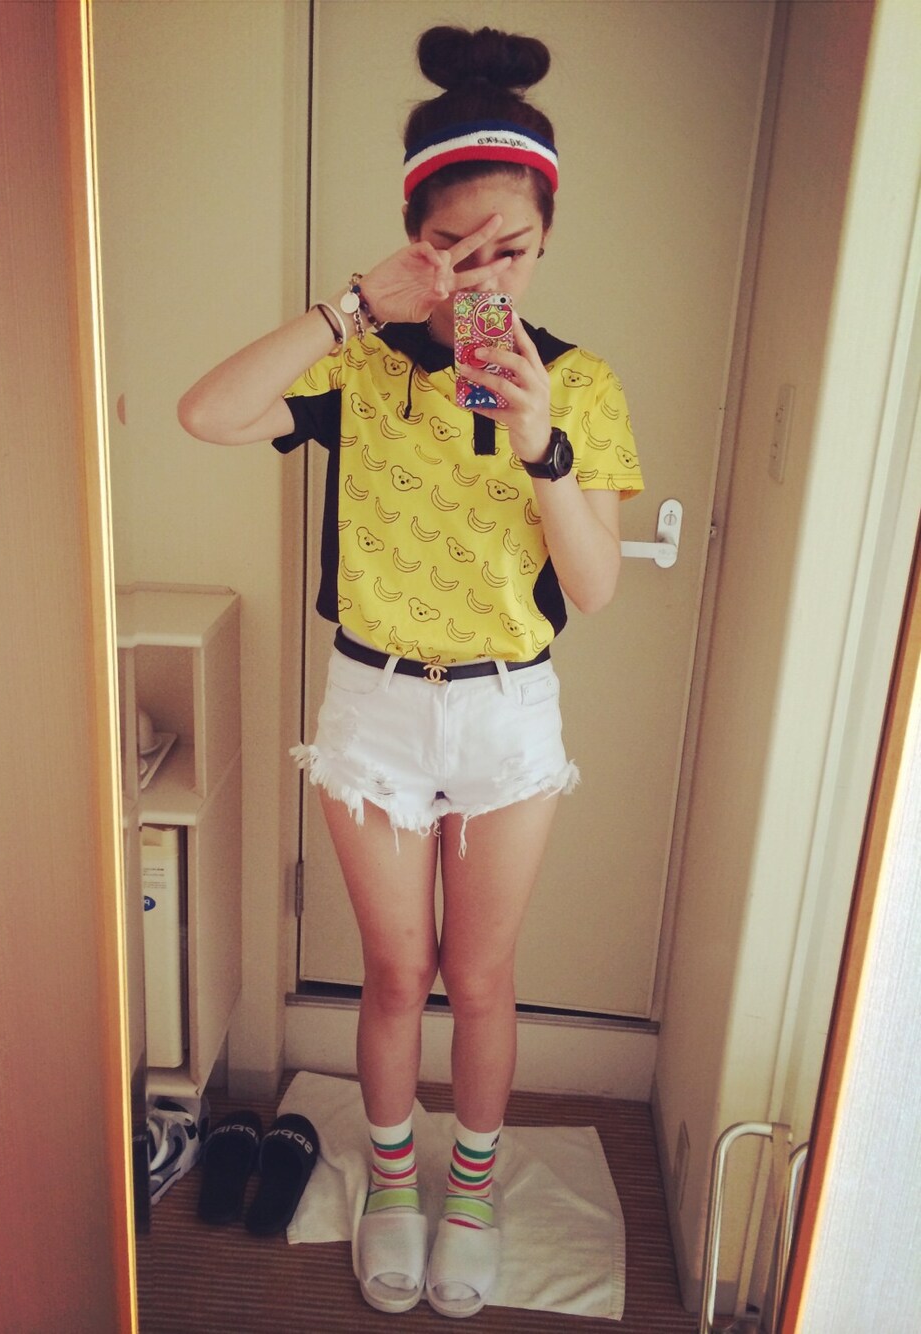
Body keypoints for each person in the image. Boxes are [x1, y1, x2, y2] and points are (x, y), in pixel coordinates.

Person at [179, 22, 642, 1319]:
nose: (481, 277)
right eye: (453, 249)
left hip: (506, 709)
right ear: (411, 239)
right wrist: (350, 304)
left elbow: (595, 586)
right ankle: (394, 1183)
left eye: (512, 250)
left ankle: (473, 1196)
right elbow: (206, 414)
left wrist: (543, 445)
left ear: (545, 241)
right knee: (395, 976)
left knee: (481, 978)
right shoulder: (360, 361)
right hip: (374, 704)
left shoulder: (579, 383)